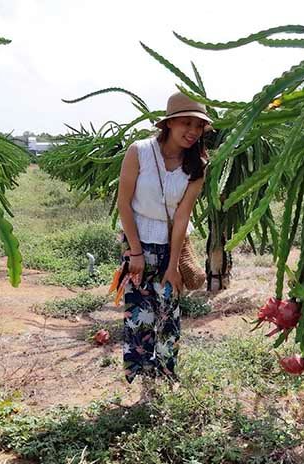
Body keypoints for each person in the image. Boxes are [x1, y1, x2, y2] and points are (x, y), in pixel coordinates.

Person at [116, 91, 211, 400]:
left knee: (168, 316)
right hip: (137, 241)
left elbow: (183, 217)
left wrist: (173, 266)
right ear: (169, 124)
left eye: (199, 126)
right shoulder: (139, 152)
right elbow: (124, 204)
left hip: (170, 247)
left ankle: (167, 375)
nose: (193, 132)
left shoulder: (197, 165)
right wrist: (135, 253)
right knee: (139, 315)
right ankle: (143, 379)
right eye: (186, 123)